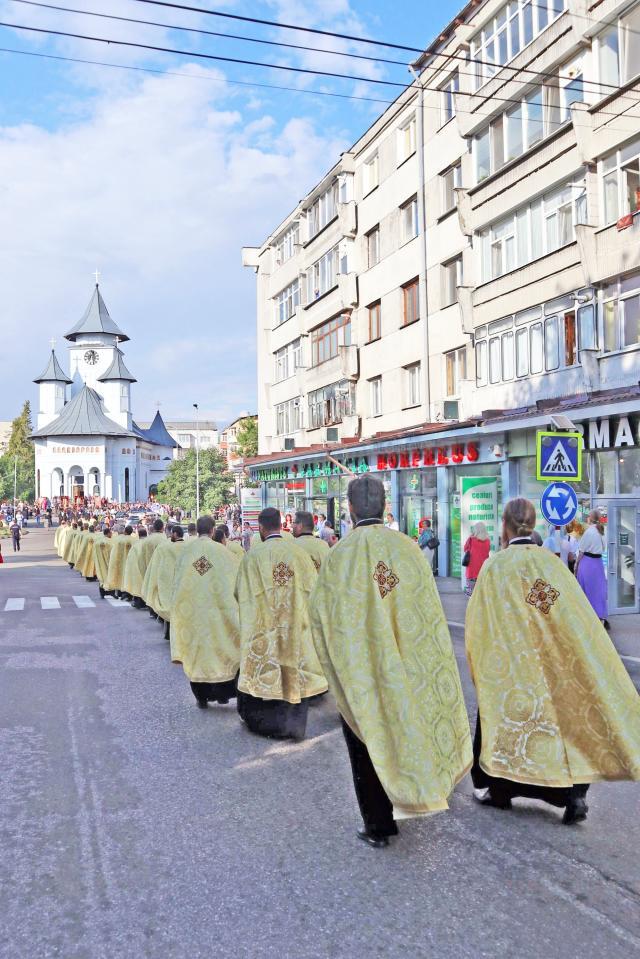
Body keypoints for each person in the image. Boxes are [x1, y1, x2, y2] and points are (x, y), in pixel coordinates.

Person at [310, 475, 472, 847]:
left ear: (349, 510)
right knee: (406, 725)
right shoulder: (409, 550)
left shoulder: (340, 556)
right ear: (385, 506)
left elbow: (322, 614)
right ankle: (414, 788)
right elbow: (427, 608)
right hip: (405, 659)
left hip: (363, 667)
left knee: (364, 739)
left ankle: (378, 824)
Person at [465, 497, 640, 825]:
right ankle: (571, 794)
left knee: (506, 724)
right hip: (549, 660)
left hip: (513, 664)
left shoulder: (496, 566)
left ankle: (500, 791)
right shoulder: (551, 565)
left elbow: (479, 619)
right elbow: (573, 617)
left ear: (503, 527)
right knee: (560, 724)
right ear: (533, 524)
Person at [235, 507, 328, 740]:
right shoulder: (298, 554)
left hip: (265, 625)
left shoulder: (254, 556)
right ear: (280, 525)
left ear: (262, 528)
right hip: (296, 622)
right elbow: (313, 589)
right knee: (294, 666)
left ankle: (269, 723)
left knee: (267, 669)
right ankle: (294, 721)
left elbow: (241, 592)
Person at [170, 515, 241, 707]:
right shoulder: (224, 553)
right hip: (219, 613)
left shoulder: (186, 553)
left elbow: (177, 583)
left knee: (198, 653)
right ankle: (223, 694)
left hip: (193, 613)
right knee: (221, 650)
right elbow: (236, 582)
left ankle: (201, 696)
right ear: (212, 530)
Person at [143, 525, 185, 640]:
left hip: (168, 582)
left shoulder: (163, 547)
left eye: (171, 533)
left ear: (175, 534)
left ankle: (168, 632)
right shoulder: (190, 547)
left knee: (169, 606)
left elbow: (155, 566)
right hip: (185, 582)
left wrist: (152, 583)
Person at [576, 510, 609, 627]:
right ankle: (600, 616)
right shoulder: (602, 531)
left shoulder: (589, 531)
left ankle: (587, 618)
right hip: (598, 563)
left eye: (588, 516)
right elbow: (604, 548)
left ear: (590, 518)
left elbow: (581, 551)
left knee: (586, 590)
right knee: (598, 591)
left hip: (587, 564)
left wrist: (576, 566)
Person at [463, 521, 491, 597]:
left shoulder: (471, 539)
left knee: (471, 594)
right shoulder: (488, 541)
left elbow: (465, 549)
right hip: (483, 569)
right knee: (481, 594)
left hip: (472, 570)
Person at [105, 525, 135, 597]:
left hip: (120, 560)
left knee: (119, 576)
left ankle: (119, 592)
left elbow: (113, 550)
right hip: (129, 561)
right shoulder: (134, 540)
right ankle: (127, 593)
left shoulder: (118, 540)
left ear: (125, 531)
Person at [122, 527, 148, 607]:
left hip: (137, 569)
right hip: (148, 568)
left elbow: (131, 560)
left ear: (139, 535)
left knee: (138, 586)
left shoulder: (135, 545)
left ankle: (138, 602)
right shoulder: (148, 543)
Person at [94, 528, 114, 598]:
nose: (111, 534)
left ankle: (102, 593)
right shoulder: (111, 542)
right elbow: (112, 553)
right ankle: (111, 592)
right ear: (108, 533)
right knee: (109, 577)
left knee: (102, 577)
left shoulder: (97, 542)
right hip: (108, 562)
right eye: (111, 533)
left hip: (100, 563)